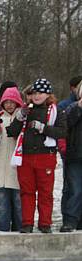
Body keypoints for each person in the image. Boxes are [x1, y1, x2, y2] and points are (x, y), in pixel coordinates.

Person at [6, 79, 66, 233]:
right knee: (27, 192)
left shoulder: (55, 111)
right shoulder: (26, 110)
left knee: (45, 192)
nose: (37, 96)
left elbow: (62, 132)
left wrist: (44, 128)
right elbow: (11, 132)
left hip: (45, 156)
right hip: (25, 157)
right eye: (34, 93)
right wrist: (19, 117)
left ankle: (45, 223)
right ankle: (27, 223)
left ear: (48, 94)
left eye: (41, 93)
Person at [0, 86, 24, 232]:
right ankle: (2, 232)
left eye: (12, 102)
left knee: (18, 203)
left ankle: (20, 230)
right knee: (2, 204)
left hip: (16, 167)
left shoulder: (22, 117)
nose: (9, 105)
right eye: (6, 102)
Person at [62, 81, 82, 231]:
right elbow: (65, 124)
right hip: (75, 155)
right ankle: (70, 220)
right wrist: (79, 108)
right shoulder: (71, 108)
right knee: (74, 189)